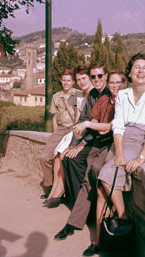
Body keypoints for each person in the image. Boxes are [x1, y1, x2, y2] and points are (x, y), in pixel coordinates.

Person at [88, 53, 145, 256]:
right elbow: (119, 126)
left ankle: (121, 217)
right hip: (121, 141)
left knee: (105, 177)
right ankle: (98, 241)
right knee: (101, 190)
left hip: (141, 143)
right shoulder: (123, 95)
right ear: (130, 73)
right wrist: (119, 152)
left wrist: (140, 157)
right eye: (136, 67)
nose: (141, 70)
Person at [53, 62, 110, 239]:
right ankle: (81, 206)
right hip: (92, 141)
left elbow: (104, 127)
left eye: (99, 76)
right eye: (93, 76)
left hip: (106, 143)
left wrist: (81, 145)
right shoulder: (93, 94)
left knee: (90, 169)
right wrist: (75, 145)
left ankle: (83, 214)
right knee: (70, 159)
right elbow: (85, 120)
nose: (96, 79)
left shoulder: (112, 94)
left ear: (105, 76)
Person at [43, 65, 93, 202]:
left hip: (79, 132)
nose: (82, 82)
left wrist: (77, 138)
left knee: (61, 154)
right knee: (57, 155)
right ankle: (54, 190)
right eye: (79, 79)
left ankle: (59, 190)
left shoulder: (82, 94)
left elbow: (83, 121)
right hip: (69, 131)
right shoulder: (61, 97)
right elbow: (77, 119)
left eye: (84, 78)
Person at [38, 69, 83, 197]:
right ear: (61, 81)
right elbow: (54, 116)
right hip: (61, 130)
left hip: (74, 130)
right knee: (44, 157)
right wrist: (55, 133)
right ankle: (49, 185)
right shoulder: (56, 97)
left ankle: (63, 190)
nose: (66, 83)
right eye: (64, 80)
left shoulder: (80, 95)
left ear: (73, 81)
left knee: (64, 157)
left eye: (69, 80)